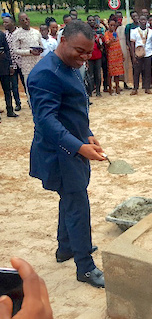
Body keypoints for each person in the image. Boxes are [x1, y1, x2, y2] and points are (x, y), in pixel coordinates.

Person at [27, 20, 106, 288]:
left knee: (70, 199)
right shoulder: (44, 74)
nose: (85, 58)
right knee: (77, 204)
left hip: (73, 145)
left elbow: (71, 109)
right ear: (62, 41)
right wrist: (79, 146)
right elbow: (46, 122)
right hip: (60, 154)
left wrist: (87, 134)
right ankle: (85, 266)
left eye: (88, 52)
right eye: (79, 51)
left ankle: (66, 248)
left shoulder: (70, 66)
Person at [12, 12, 43, 87]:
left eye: (26, 19)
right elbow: (15, 50)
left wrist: (40, 50)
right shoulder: (16, 34)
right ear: (19, 22)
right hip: (27, 66)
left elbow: (41, 45)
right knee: (29, 86)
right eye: (22, 20)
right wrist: (29, 52)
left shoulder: (36, 32)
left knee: (40, 86)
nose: (25, 21)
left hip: (38, 63)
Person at [130, 15, 152, 95]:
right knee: (136, 71)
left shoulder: (151, 32)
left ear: (147, 21)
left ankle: (147, 87)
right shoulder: (134, 31)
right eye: (141, 19)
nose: (143, 21)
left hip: (148, 53)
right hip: (138, 54)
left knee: (148, 71)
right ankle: (135, 88)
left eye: (145, 19)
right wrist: (133, 55)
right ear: (139, 21)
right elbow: (132, 44)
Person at [2, 16, 23, 111]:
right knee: (14, 85)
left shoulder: (20, 33)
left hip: (22, 63)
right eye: (3, 22)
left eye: (6, 22)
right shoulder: (4, 35)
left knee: (26, 83)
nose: (4, 24)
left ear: (12, 23)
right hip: (12, 64)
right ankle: (18, 103)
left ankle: (30, 101)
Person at [104, 17, 125, 95]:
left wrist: (122, 54)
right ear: (108, 25)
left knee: (117, 74)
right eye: (111, 25)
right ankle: (110, 89)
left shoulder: (116, 33)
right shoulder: (107, 33)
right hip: (111, 55)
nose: (112, 27)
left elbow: (119, 44)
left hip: (118, 55)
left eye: (114, 25)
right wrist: (111, 40)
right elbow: (107, 43)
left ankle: (117, 88)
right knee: (111, 73)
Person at [0, 29, 16, 119]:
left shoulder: (1, 34)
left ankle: (10, 110)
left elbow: (7, 50)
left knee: (7, 90)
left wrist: (10, 65)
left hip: (3, 67)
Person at [115, 11, 130, 90]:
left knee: (125, 66)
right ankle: (116, 84)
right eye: (117, 17)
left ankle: (125, 83)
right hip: (116, 49)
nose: (119, 19)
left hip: (124, 47)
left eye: (120, 17)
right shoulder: (113, 28)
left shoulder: (124, 27)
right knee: (116, 67)